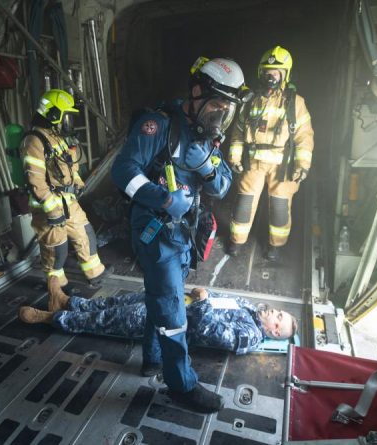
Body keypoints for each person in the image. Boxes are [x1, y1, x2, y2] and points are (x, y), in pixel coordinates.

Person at [110, 57, 250, 413]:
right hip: (156, 229)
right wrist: (164, 198)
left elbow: (222, 186)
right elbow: (123, 171)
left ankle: (151, 358)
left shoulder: (207, 133)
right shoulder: (158, 125)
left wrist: (206, 166)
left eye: (227, 109)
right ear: (197, 91)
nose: (220, 114)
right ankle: (181, 385)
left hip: (183, 230)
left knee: (161, 294)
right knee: (172, 308)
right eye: (217, 105)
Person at [19, 279, 297, 355]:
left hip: (172, 321)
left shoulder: (249, 335)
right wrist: (204, 293)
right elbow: (220, 301)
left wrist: (201, 302)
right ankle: (69, 301)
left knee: (111, 319)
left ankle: (51, 318)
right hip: (174, 300)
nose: (274, 313)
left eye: (278, 321)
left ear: (273, 333)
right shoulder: (251, 308)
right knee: (119, 300)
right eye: (279, 313)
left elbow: (211, 333)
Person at [226, 46, 314, 263]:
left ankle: (276, 246)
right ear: (260, 72)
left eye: (276, 72)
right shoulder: (251, 101)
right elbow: (238, 131)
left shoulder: (296, 102)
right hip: (254, 162)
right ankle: (237, 241)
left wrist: (302, 165)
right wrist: (235, 157)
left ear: (285, 74)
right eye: (267, 71)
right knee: (243, 204)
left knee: (279, 208)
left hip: (282, 166)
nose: (270, 76)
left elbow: (304, 136)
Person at [22, 89, 111, 288]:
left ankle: (95, 273)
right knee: (56, 249)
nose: (66, 119)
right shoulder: (33, 141)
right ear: (54, 113)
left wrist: (77, 183)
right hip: (49, 207)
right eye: (65, 114)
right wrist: (51, 208)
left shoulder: (55, 136)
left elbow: (70, 166)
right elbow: (35, 179)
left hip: (68, 201)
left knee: (85, 234)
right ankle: (57, 288)